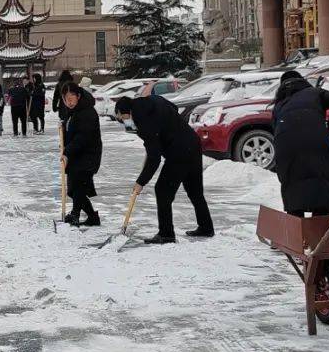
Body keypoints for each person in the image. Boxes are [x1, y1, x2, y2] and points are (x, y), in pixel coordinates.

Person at [114, 95, 214, 244]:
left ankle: (166, 234)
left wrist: (141, 182)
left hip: (178, 151)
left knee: (162, 190)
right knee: (194, 190)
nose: (125, 123)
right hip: (192, 143)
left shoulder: (142, 121)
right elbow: (173, 108)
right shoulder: (153, 100)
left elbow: (154, 158)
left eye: (122, 119)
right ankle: (206, 227)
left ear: (126, 113)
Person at [272, 70, 329, 215]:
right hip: (316, 142)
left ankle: (296, 231)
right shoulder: (314, 93)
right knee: (322, 185)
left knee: (293, 188)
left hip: (286, 147)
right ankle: (321, 229)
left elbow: (276, 130)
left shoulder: (279, 105)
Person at [60, 82, 102, 227]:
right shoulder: (74, 111)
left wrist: (67, 151)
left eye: (72, 97)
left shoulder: (87, 112)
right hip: (76, 155)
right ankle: (92, 217)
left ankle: (75, 214)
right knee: (74, 189)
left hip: (88, 155)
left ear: (78, 96)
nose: (69, 101)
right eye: (66, 98)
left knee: (78, 186)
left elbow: (82, 138)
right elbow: (72, 134)